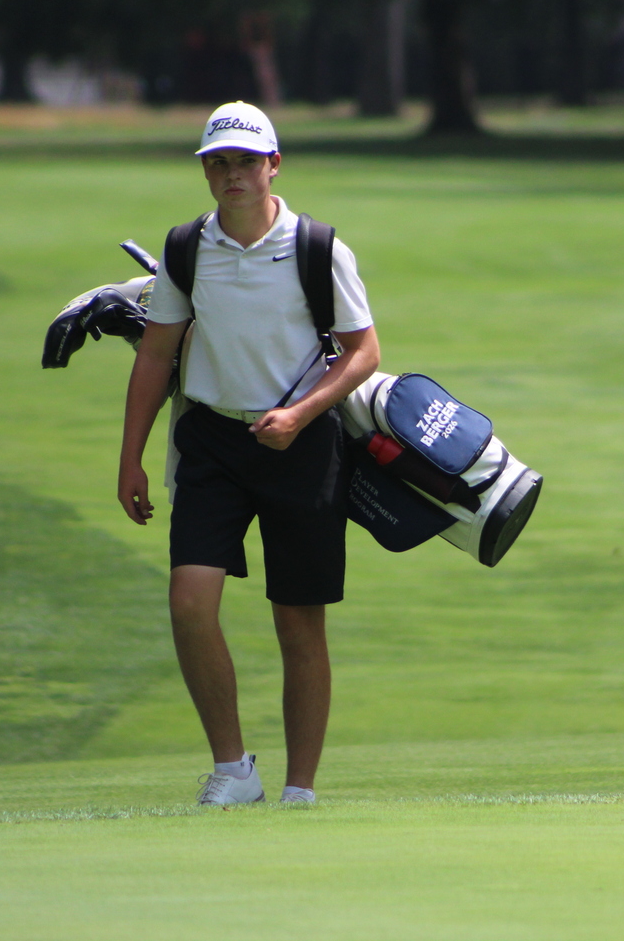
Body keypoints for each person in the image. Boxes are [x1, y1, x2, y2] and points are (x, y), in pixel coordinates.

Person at [118, 101, 380, 806]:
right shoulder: (186, 249)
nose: (232, 174)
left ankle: (300, 788)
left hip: (303, 444)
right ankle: (233, 770)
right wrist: (130, 458)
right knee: (190, 602)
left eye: (244, 161)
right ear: (207, 170)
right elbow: (156, 354)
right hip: (211, 441)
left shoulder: (319, 248)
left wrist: (299, 414)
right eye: (218, 162)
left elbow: (362, 354)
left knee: (298, 620)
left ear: (273, 165)